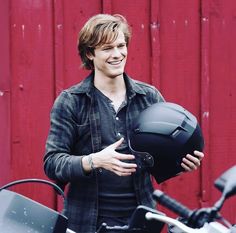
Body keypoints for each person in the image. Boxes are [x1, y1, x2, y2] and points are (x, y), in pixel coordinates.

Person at [43, 14, 204, 233]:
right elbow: (53, 164)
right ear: (90, 53)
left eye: (121, 45)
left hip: (142, 220)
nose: (117, 54)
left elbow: (158, 160)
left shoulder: (149, 97)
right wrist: (94, 160)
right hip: (85, 224)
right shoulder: (71, 101)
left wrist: (180, 163)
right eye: (108, 48)